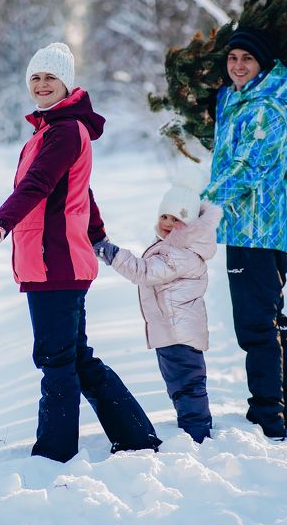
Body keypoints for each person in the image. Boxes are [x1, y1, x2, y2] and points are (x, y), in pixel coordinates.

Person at [0, 42, 161, 463]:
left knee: (56, 360)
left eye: (50, 78)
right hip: (51, 259)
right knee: (75, 358)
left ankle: (54, 454)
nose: (42, 85)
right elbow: (80, 190)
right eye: (36, 78)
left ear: (67, 83)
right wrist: (97, 234)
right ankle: (135, 437)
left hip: (54, 260)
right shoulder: (50, 130)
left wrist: (0, 224)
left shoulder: (62, 131)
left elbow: (37, 186)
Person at [201, 26, 287, 441]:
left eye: (247, 59)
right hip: (248, 229)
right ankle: (285, 408)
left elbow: (249, 167)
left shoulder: (265, 109)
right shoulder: (239, 101)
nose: (238, 66)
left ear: (263, 65)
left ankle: (268, 416)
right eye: (232, 59)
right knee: (271, 323)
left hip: (257, 231)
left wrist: (203, 202)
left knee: (256, 327)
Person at [94, 183, 221, 444]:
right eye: (165, 216)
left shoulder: (182, 253)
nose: (168, 222)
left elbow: (144, 272)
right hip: (171, 330)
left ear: (191, 225)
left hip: (179, 333)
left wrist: (112, 253)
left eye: (177, 219)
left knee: (187, 385)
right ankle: (194, 425)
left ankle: (197, 432)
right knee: (180, 385)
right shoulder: (174, 245)